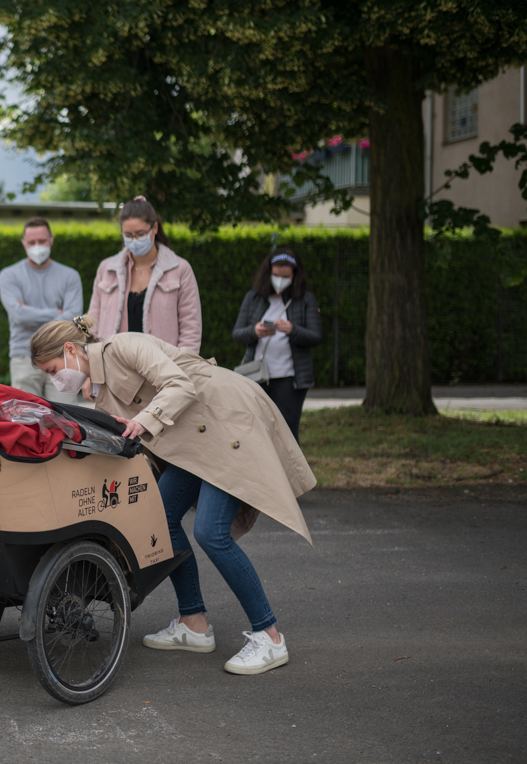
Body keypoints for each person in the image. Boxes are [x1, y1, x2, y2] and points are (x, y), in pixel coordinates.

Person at [30, 316, 315, 675]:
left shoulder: (125, 346)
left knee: (211, 533)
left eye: (53, 369)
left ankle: (269, 637)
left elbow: (180, 385)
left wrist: (143, 419)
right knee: (160, 520)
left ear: (70, 350)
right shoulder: (99, 386)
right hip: (194, 441)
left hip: (226, 422)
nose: (56, 379)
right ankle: (193, 624)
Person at [87, 196, 202, 352]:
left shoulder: (180, 269)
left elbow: (191, 328)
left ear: (155, 228)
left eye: (140, 234)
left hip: (163, 363)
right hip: (114, 362)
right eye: (128, 235)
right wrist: (91, 355)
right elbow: (93, 321)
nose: (134, 240)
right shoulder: (106, 269)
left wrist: (181, 364)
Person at [232, 247, 323, 442]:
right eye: (276, 275)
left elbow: (315, 336)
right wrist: (254, 332)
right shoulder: (254, 297)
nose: (280, 280)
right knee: (256, 431)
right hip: (257, 377)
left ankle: (289, 465)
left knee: (286, 432)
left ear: (295, 276)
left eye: (286, 276)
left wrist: (292, 329)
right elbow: (237, 334)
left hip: (289, 379)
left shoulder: (305, 299)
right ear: (268, 273)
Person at [0, 218, 84, 402]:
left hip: (63, 357)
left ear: (51, 240)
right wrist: (57, 314)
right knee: (25, 415)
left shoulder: (70, 276)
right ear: (23, 243)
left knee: (67, 415)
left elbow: (73, 320)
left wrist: (29, 313)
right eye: (32, 242)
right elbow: (19, 316)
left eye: (42, 241)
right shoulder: (9, 275)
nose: (37, 246)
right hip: (24, 356)